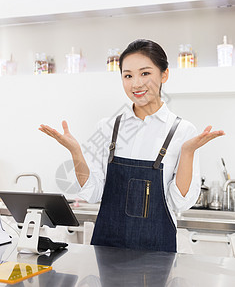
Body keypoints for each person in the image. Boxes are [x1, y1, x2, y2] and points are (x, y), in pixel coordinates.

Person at [39, 39, 224, 252]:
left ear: (164, 74)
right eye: (128, 75)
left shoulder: (183, 131)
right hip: (107, 248)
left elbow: (179, 203)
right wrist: (76, 152)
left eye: (145, 73)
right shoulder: (108, 127)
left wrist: (188, 152)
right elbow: (93, 193)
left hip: (158, 251)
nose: (136, 84)